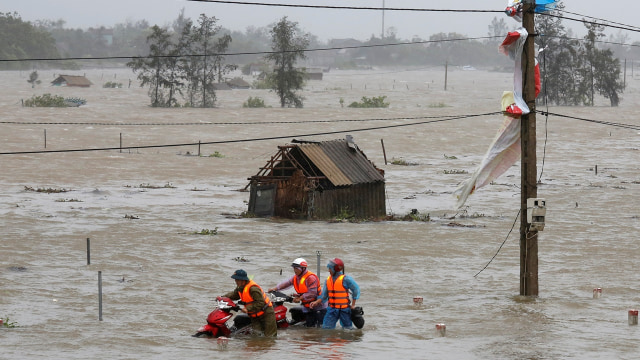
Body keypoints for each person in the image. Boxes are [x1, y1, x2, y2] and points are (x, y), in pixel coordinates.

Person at [268, 257, 327, 327]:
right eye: (294, 268)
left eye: (296, 268)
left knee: (316, 328)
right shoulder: (296, 277)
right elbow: (287, 283)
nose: (295, 270)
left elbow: (312, 293)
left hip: (318, 307)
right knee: (309, 328)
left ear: (303, 268)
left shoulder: (310, 278)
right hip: (307, 306)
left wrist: (300, 298)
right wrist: (275, 289)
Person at [220, 269, 277, 337]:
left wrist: (247, 308)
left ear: (243, 280)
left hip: (266, 313)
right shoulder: (240, 287)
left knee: (270, 337)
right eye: (235, 280)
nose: (236, 281)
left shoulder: (253, 289)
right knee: (257, 336)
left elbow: (260, 302)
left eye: (237, 280)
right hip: (254, 315)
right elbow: (234, 295)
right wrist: (222, 297)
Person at [310, 258, 360, 329]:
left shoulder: (346, 279)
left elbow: (356, 290)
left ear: (335, 269)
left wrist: (353, 305)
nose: (329, 270)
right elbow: (324, 296)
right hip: (332, 310)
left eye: (330, 268)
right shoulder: (328, 280)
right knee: (326, 329)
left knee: (348, 329)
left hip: (344, 310)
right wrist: (316, 302)